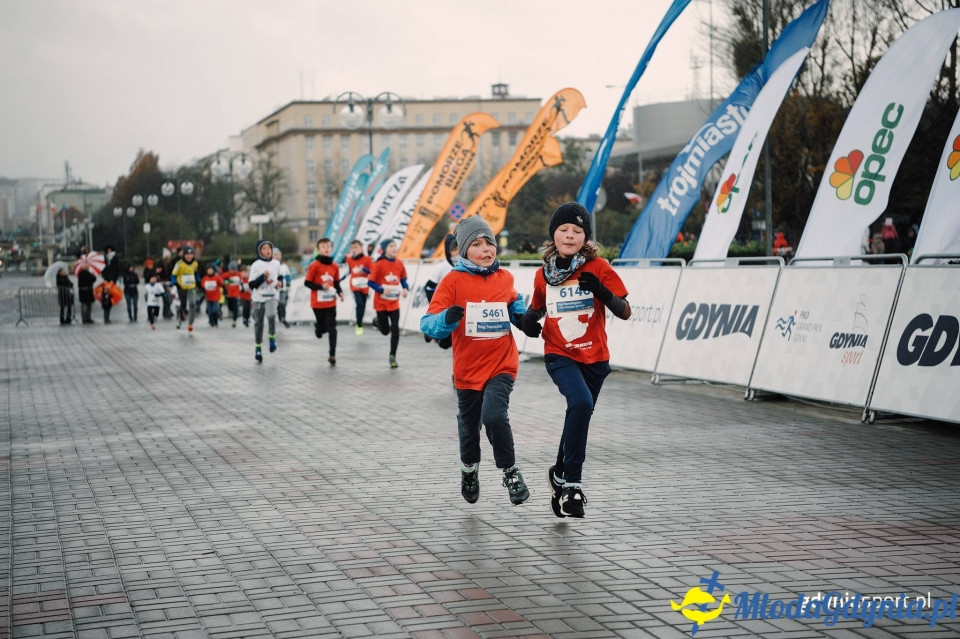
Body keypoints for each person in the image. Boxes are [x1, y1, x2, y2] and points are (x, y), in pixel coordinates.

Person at [522, 202, 632, 519]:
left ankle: (558, 473)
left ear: (585, 237)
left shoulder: (599, 268)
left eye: (577, 231)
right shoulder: (543, 274)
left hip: (595, 358)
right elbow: (537, 308)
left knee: (578, 413)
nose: (569, 236)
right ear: (553, 235)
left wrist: (602, 292)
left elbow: (625, 311)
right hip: (559, 353)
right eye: (563, 230)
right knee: (581, 404)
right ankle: (572, 486)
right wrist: (529, 321)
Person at [421, 216, 531, 506]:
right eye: (477, 244)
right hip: (468, 371)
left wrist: (524, 319)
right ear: (463, 250)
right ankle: (469, 470)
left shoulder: (504, 278)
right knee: (470, 428)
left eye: (489, 243)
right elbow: (428, 322)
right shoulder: (453, 281)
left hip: (501, 364)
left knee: (494, 415)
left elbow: (514, 303)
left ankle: (510, 471)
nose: (486, 250)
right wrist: (445, 319)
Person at [367, 238, 409, 368]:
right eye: (391, 246)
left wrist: (405, 288)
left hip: (394, 303)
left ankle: (392, 356)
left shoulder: (399, 263)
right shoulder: (379, 264)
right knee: (385, 331)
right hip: (381, 303)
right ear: (385, 249)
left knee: (395, 328)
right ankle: (377, 321)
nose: (394, 248)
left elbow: (403, 278)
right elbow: (370, 282)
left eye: (395, 246)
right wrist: (381, 289)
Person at [304, 238, 344, 365]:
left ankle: (332, 354)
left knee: (332, 328)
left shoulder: (335, 266)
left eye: (328, 246)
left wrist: (340, 292)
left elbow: (336, 282)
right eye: (323, 246)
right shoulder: (315, 265)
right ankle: (318, 328)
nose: (326, 248)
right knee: (322, 329)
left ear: (331, 248)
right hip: (318, 303)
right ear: (319, 250)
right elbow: (307, 283)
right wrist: (321, 287)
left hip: (331, 302)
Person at [248, 239, 282, 362]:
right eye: (264, 249)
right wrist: (263, 276)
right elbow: (252, 285)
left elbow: (280, 276)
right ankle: (258, 348)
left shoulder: (276, 264)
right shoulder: (256, 265)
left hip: (272, 295)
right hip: (258, 298)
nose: (267, 251)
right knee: (258, 324)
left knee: (272, 315)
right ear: (259, 251)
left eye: (269, 248)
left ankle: (272, 337)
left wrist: (280, 283)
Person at [344, 240, 373, 335]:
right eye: (352, 248)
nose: (353, 250)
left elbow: (372, 272)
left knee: (362, 306)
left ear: (361, 248)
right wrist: (340, 279)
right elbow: (349, 271)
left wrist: (364, 269)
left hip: (364, 286)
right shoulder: (350, 260)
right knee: (359, 303)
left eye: (356, 247)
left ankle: (359, 322)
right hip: (355, 286)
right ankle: (359, 324)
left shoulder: (367, 259)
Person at [171, 246, 201, 332]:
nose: (189, 256)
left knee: (192, 304)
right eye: (187, 254)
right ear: (184, 255)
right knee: (183, 305)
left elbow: (196, 273)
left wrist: (199, 281)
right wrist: (175, 283)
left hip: (191, 287)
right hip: (182, 287)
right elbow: (173, 275)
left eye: (191, 254)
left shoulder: (195, 263)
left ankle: (190, 323)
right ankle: (180, 319)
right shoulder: (179, 264)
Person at [274, 248, 292, 328]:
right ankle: (279, 316)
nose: (277, 256)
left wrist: (288, 284)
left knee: (282, 303)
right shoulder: (271, 266)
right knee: (277, 305)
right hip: (273, 290)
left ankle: (283, 318)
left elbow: (288, 276)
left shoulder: (284, 266)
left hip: (282, 289)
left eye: (279, 255)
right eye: (275, 255)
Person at [222, 260, 242, 327]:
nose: (233, 271)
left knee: (235, 307)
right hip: (229, 294)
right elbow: (222, 281)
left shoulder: (238, 274)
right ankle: (231, 312)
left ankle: (234, 320)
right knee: (230, 307)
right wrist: (228, 281)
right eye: (231, 269)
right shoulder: (226, 274)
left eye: (234, 269)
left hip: (236, 294)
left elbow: (241, 281)